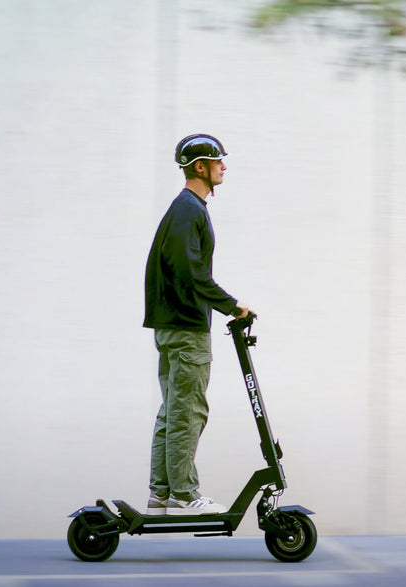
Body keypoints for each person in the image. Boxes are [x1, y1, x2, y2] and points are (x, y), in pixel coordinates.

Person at [142, 133, 252, 516]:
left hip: (172, 325)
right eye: (218, 160)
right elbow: (190, 272)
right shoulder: (189, 210)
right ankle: (184, 493)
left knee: (172, 410)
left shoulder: (185, 209)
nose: (224, 166)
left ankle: (161, 491)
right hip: (187, 329)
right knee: (189, 411)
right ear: (200, 167)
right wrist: (231, 305)